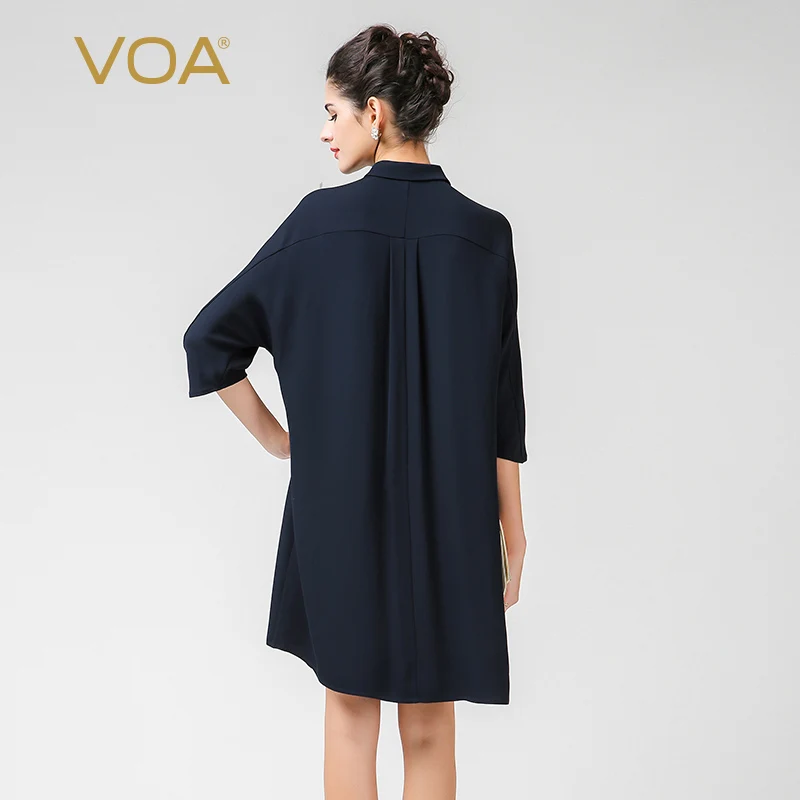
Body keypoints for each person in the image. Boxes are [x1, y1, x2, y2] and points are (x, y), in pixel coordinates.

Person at [182, 24, 528, 800]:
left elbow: (210, 339)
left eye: (333, 112)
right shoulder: (486, 235)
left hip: (337, 512)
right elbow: (503, 399)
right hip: (454, 513)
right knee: (431, 725)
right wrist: (513, 522)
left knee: (348, 714)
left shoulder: (316, 225)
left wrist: (281, 442)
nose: (324, 130)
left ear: (375, 112)